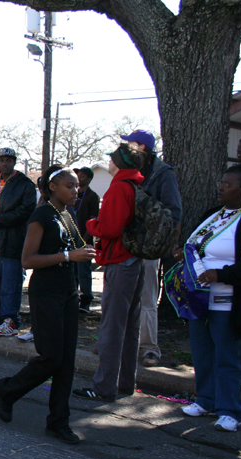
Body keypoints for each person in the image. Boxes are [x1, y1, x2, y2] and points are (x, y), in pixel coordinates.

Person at [0, 166, 96, 444]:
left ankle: (58, 421)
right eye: (69, 186)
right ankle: (7, 389)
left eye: (77, 187)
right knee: (51, 357)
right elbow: (28, 260)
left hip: (68, 292)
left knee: (66, 361)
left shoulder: (67, 214)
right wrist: (69, 256)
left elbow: (75, 248)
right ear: (52, 187)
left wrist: (84, 252)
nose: (75, 191)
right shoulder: (41, 215)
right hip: (46, 293)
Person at [176, 165, 241, 432]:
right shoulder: (213, 214)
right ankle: (206, 400)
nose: (221, 188)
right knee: (203, 353)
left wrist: (220, 274)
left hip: (230, 301)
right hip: (199, 299)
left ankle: (230, 411)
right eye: (221, 183)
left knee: (229, 356)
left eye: (228, 184)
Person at [73, 144, 147, 402]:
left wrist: (91, 225)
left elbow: (110, 228)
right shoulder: (135, 185)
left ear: (118, 162)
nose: (109, 163)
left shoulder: (119, 187)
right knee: (130, 326)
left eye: (112, 159)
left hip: (120, 261)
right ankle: (125, 382)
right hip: (135, 260)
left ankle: (104, 387)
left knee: (112, 327)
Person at [120, 129, 183, 368]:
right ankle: (119, 344)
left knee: (147, 299)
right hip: (125, 245)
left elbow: (174, 211)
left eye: (130, 144)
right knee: (121, 298)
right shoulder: (127, 169)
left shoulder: (163, 173)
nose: (126, 147)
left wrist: (157, 238)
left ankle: (149, 349)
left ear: (142, 147)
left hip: (148, 247)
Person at [0, 147, 36, 336]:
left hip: (10, 242)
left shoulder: (24, 184)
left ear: (14, 162)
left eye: (8, 160)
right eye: (1, 160)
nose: (4, 163)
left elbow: (25, 211)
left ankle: (10, 322)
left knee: (10, 284)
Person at [72, 167, 100, 313]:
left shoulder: (92, 196)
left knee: (84, 272)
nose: (79, 178)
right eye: (78, 175)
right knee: (73, 272)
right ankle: (73, 299)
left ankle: (86, 300)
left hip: (85, 241)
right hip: (71, 240)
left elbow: (93, 220)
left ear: (89, 179)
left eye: (82, 176)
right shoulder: (72, 194)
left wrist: (84, 240)